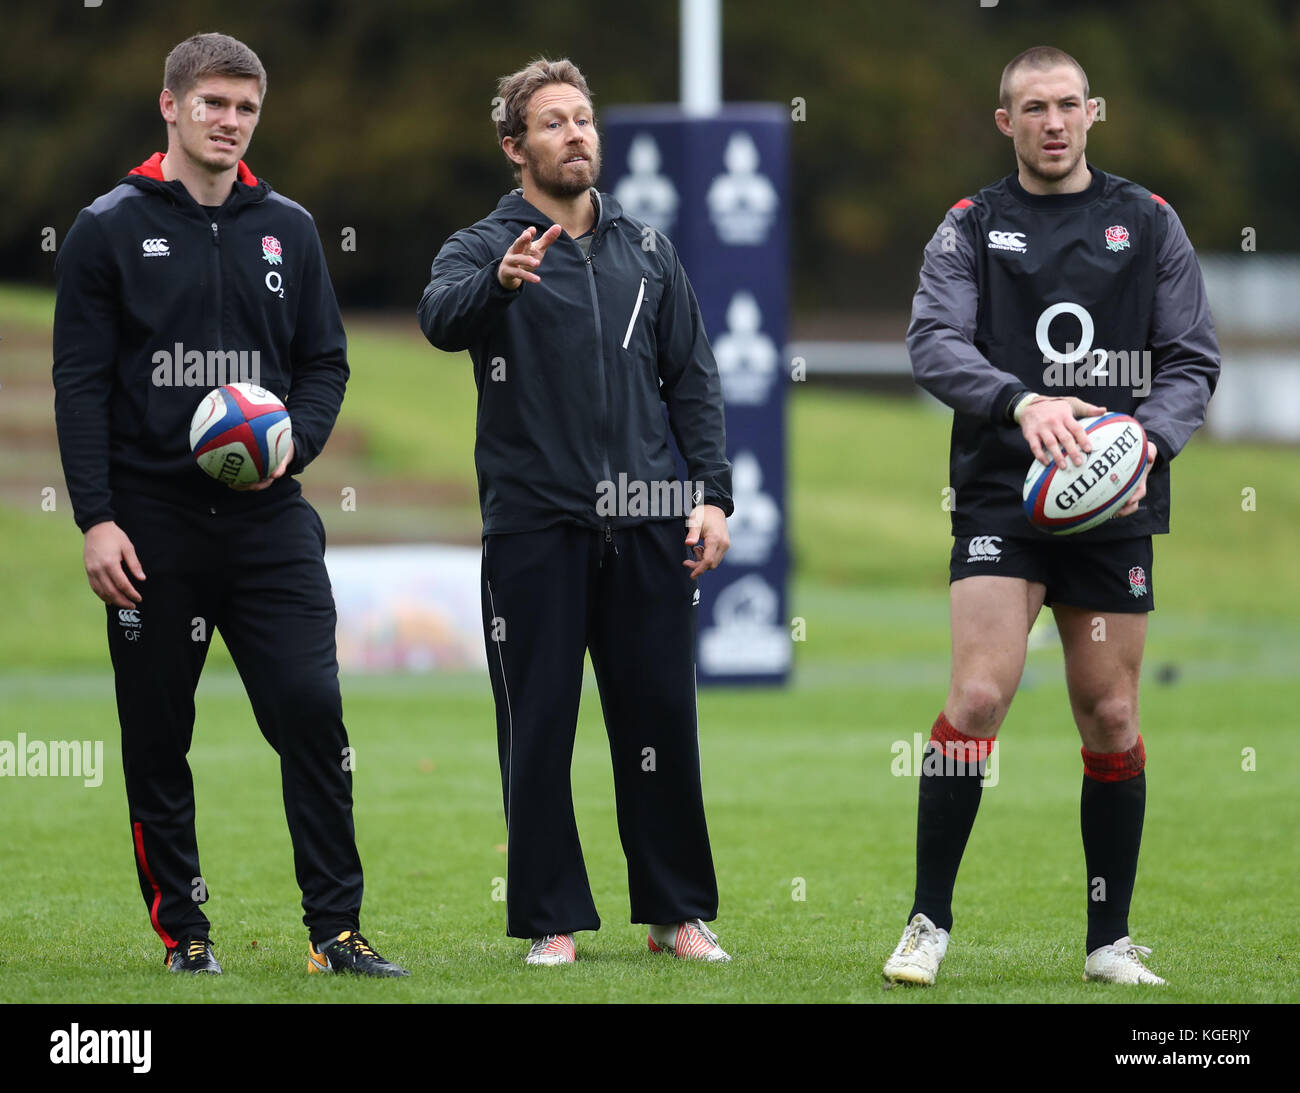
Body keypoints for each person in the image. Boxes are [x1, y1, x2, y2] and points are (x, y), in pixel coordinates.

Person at [53, 32, 406, 977]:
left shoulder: (285, 225)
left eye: (245, 108)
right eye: (212, 103)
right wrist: (96, 517)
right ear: (169, 106)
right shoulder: (108, 227)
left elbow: (324, 361)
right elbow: (79, 386)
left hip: (268, 518)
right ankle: (187, 936)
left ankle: (336, 933)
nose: (229, 122)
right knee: (160, 734)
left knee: (311, 707)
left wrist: (296, 443)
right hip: (150, 523)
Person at [883, 46, 1219, 987]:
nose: (1054, 122)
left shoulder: (1148, 222)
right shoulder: (970, 226)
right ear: (1007, 123)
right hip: (1004, 489)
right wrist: (1019, 403)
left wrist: (1148, 438)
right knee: (981, 695)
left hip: (1112, 499)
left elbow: (1191, 357)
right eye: (1034, 108)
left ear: (1093, 111)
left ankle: (1109, 941)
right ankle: (927, 923)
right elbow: (932, 340)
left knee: (1110, 714)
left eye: (1069, 105)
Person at [417, 58, 734, 966]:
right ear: (516, 146)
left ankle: (677, 916)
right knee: (540, 725)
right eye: (553, 123)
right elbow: (439, 318)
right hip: (534, 526)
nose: (576, 134)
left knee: (661, 724)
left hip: (645, 521)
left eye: (584, 118)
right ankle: (551, 919)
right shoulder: (482, 246)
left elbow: (694, 383)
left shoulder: (649, 249)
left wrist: (711, 495)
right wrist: (500, 285)